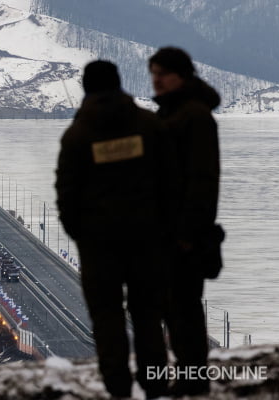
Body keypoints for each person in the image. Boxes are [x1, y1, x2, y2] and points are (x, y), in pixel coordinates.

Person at [55, 60, 169, 400]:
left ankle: (117, 387)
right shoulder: (149, 125)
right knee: (148, 315)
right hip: (146, 239)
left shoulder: (78, 135)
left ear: (87, 88)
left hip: (98, 243)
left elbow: (66, 193)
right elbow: (172, 180)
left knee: (107, 318)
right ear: (120, 84)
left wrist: (82, 234)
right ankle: (155, 384)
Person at [148, 47, 221, 397]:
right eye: (153, 72)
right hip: (165, 233)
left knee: (184, 311)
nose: (157, 79)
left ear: (183, 75)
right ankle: (188, 377)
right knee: (173, 310)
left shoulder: (194, 116)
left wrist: (189, 232)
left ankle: (194, 381)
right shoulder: (172, 114)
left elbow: (203, 180)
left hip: (182, 236)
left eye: (164, 72)